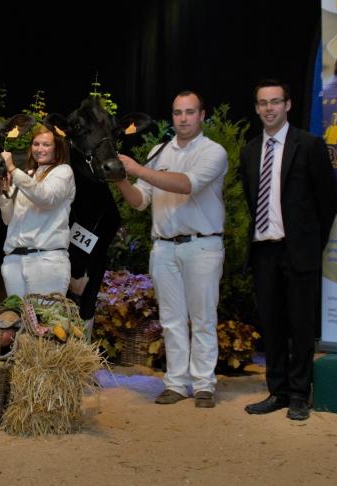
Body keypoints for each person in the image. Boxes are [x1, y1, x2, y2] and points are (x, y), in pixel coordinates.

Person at [115, 91, 228, 408]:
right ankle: (177, 383)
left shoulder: (213, 152)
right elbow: (140, 201)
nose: (183, 118)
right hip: (164, 247)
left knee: (203, 318)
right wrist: (121, 179)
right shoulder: (158, 151)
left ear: (202, 115)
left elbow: (187, 184)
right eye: (178, 112)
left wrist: (137, 170)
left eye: (190, 112)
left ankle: (204, 385)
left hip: (202, 244)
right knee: (171, 320)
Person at [241, 80, 337, 421]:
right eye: (262, 103)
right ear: (256, 108)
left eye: (275, 102)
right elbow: (253, 201)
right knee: (272, 326)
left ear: (288, 105)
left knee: (300, 325)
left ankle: (299, 395)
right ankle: (277, 391)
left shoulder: (309, 145)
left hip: (299, 251)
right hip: (264, 251)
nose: (269, 108)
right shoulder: (250, 150)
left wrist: (312, 244)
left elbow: (328, 202)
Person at [0, 124, 76, 296]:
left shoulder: (63, 172)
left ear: (57, 148)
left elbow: (46, 198)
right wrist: (3, 190)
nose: (39, 149)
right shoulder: (28, 175)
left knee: (46, 321)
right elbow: (8, 219)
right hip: (14, 260)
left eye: (46, 145)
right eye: (36, 144)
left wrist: (12, 169)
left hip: (45, 260)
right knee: (20, 321)